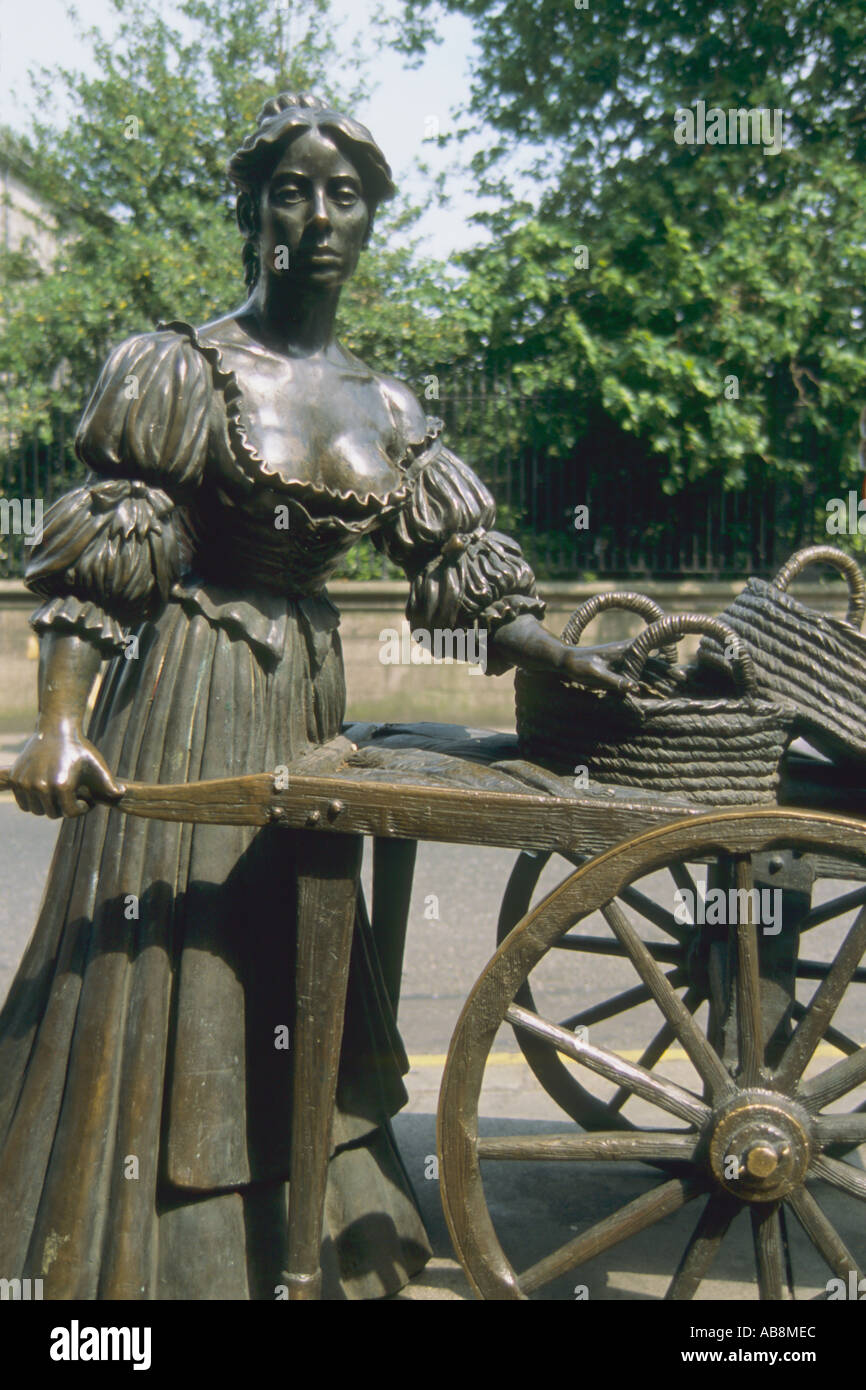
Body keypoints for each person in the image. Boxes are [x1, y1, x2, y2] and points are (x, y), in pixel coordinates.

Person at [0, 93, 632, 1299]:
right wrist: (62, 723)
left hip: (307, 694)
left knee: (297, 960)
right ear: (251, 209)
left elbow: (451, 565)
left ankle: (312, 1210)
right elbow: (110, 549)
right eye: (292, 188)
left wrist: (548, 649)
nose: (319, 215)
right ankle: (149, 1256)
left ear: (370, 216)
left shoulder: (385, 404)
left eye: (344, 193)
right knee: (173, 959)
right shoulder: (174, 369)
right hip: (186, 692)